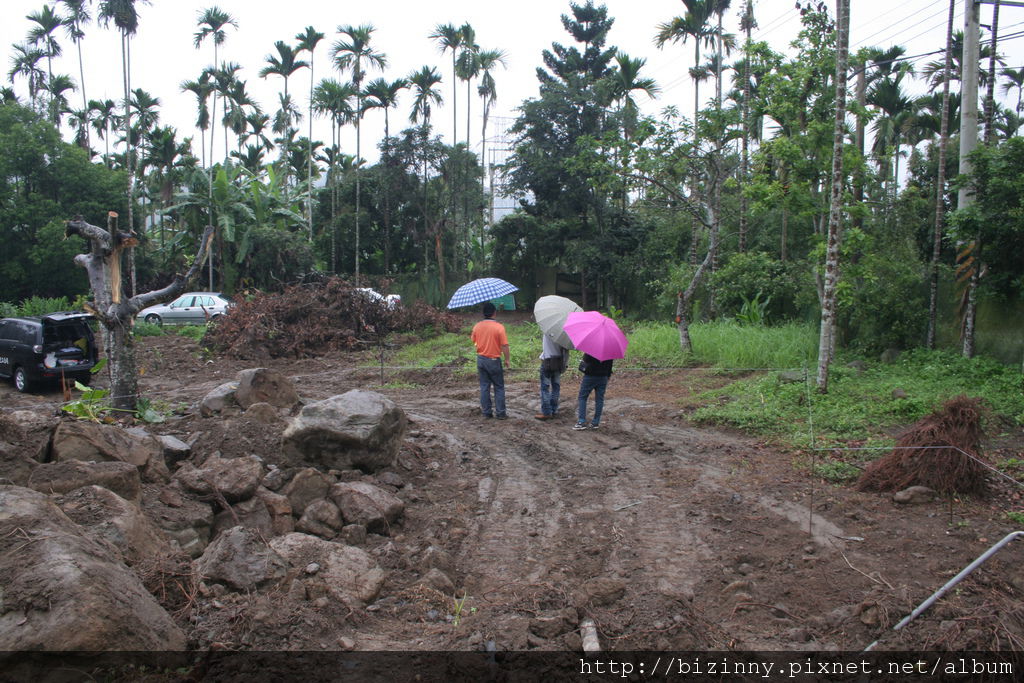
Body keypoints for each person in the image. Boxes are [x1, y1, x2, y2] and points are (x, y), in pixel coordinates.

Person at [471, 301, 511, 419]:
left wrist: (481, 345)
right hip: (494, 360)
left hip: (481, 359)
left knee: (484, 387)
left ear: (483, 313)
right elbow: (504, 345)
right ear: (494, 313)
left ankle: (486, 413)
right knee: (499, 387)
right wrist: (507, 359)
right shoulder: (499, 327)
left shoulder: (477, 326)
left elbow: (474, 340)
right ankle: (501, 413)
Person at [574, 352, 613, 430]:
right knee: (599, 400)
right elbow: (610, 365)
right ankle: (595, 422)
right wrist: (608, 376)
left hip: (590, 376)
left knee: (582, 397)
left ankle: (581, 421)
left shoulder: (591, 348)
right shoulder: (609, 350)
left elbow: (585, 360)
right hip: (603, 377)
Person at [535, 334, 568, 420]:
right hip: (558, 362)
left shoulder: (547, 332)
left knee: (545, 388)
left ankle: (546, 412)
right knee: (556, 387)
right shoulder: (564, 335)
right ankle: (554, 410)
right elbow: (566, 351)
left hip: (548, 361)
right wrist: (565, 365)